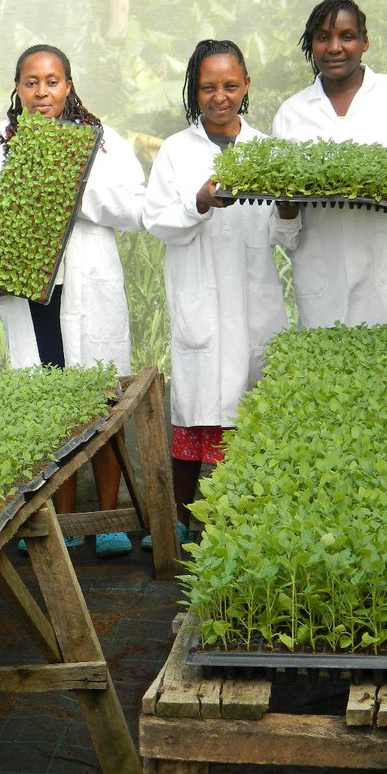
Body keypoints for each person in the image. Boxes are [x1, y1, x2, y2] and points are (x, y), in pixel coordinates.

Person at [0, 44, 145, 558]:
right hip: (32, 298)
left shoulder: (102, 144)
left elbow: (134, 209)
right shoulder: (0, 151)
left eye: (52, 81)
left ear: (69, 85)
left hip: (89, 292)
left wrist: (71, 182)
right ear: (17, 88)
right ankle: (61, 522)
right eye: (30, 82)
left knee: (102, 400)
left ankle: (106, 522)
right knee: (50, 410)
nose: (41, 93)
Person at [142, 39, 295, 549]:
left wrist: (291, 208)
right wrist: (200, 202)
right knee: (194, 421)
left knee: (248, 417)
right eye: (208, 87)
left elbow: (283, 234)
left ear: (246, 85)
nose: (220, 97)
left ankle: (241, 527)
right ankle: (186, 528)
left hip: (254, 304)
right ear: (195, 90)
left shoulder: (266, 149)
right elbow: (157, 220)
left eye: (230, 85)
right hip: (200, 303)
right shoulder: (176, 150)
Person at [271, 0, 387, 328]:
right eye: (323, 37)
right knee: (327, 372)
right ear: (311, 44)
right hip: (321, 277)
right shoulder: (292, 113)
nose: (334, 47)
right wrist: (286, 207)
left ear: (365, 42)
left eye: (346, 36)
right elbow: (283, 231)